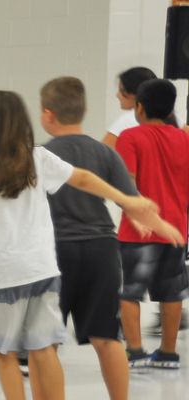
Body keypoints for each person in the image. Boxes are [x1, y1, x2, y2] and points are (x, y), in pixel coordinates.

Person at [0, 90, 181, 400]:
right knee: (42, 349)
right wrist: (128, 201)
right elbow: (81, 178)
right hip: (42, 271)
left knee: (5, 353)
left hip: (3, 276)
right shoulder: (36, 156)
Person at [39, 76, 132, 397]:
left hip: (54, 253)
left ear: (47, 115)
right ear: (84, 110)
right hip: (102, 250)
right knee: (107, 337)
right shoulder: (105, 153)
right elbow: (128, 200)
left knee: (45, 342)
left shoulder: (41, 155)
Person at [114, 79, 189, 370]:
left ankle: (135, 351)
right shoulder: (184, 139)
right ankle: (168, 353)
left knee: (130, 292)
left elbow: (127, 184)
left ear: (140, 107)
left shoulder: (130, 137)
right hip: (176, 231)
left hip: (138, 231)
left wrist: (132, 212)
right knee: (171, 292)